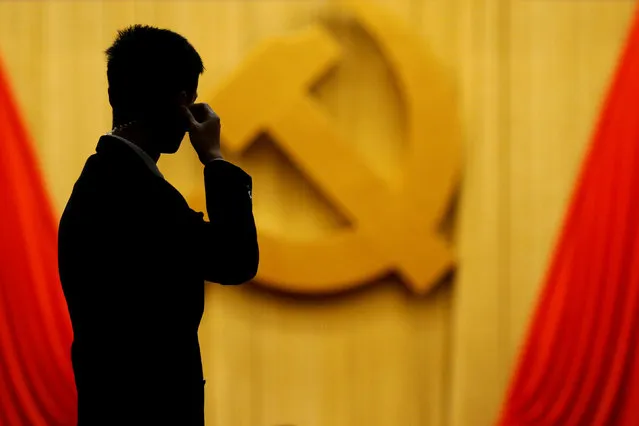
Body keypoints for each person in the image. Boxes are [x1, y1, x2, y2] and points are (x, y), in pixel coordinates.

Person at [57, 25, 258, 425]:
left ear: (113, 94)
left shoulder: (103, 180)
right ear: (183, 102)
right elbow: (235, 259)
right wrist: (215, 159)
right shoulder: (136, 193)